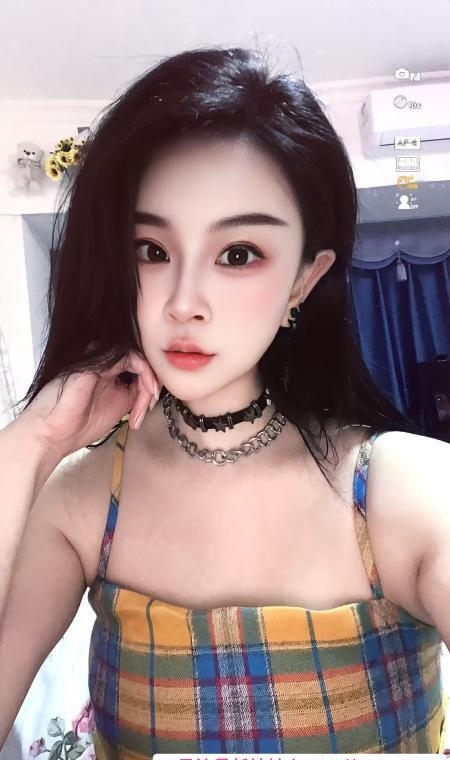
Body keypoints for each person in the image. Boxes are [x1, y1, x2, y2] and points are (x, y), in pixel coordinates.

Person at [0, 46, 449, 755]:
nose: (183, 303)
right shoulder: (83, 499)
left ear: (304, 280)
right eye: (151, 250)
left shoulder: (403, 491)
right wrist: (31, 440)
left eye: (238, 254)